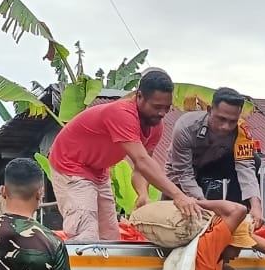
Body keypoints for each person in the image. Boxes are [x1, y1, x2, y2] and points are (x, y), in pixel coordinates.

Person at [47, 69, 203, 241]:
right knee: (86, 235)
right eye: (157, 107)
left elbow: (141, 169)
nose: (162, 113)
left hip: (98, 171)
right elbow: (142, 160)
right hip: (70, 165)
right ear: (139, 96)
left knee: (110, 236)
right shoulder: (122, 113)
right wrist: (178, 195)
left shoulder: (155, 127)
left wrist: (142, 194)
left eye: (167, 108)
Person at [164, 86, 264, 228]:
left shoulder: (242, 130)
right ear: (210, 110)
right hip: (180, 170)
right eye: (221, 119)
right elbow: (184, 173)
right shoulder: (185, 126)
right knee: (173, 216)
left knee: (255, 159)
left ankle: (235, 214)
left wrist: (256, 205)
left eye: (232, 121)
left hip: (213, 164)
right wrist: (208, 205)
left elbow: (246, 167)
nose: (226, 127)